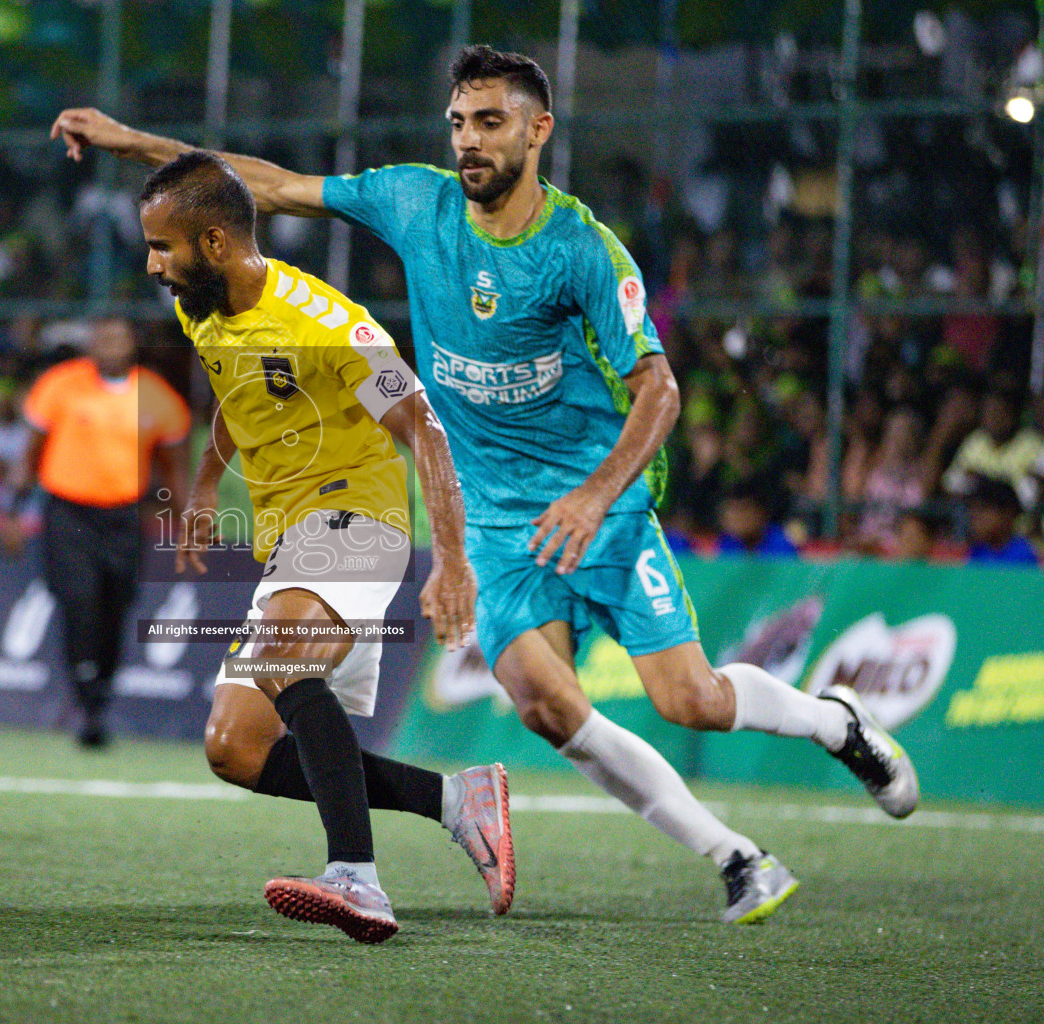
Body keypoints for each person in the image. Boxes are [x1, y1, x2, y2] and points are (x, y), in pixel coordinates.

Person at [52, 43, 919, 925]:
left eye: (491, 122)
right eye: (459, 122)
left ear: (539, 131)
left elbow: (660, 387)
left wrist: (588, 496)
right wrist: (127, 140)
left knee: (689, 700)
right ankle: (735, 857)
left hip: (596, 500)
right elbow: (260, 186)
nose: (470, 140)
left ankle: (833, 723)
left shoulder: (585, 250)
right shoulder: (413, 202)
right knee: (544, 709)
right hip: (494, 516)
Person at [136, 151, 513, 943]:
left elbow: (424, 428)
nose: (152, 264)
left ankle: (358, 878)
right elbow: (241, 392)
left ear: (212, 242)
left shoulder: (325, 322)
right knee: (235, 748)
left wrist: (451, 559)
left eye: (162, 246)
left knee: (279, 656)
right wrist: (207, 479)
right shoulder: (199, 307)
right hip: (288, 537)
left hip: (357, 516)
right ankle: (456, 801)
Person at [11, 318, 190, 748]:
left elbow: (174, 466)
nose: (109, 347)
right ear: (91, 344)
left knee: (116, 607)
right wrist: (14, 514)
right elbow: (30, 454)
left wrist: (189, 520)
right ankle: (87, 701)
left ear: (133, 346)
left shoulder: (156, 396)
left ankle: (100, 691)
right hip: (68, 513)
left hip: (124, 518)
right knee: (79, 600)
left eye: (118, 339)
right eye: (102, 339)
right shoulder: (60, 385)